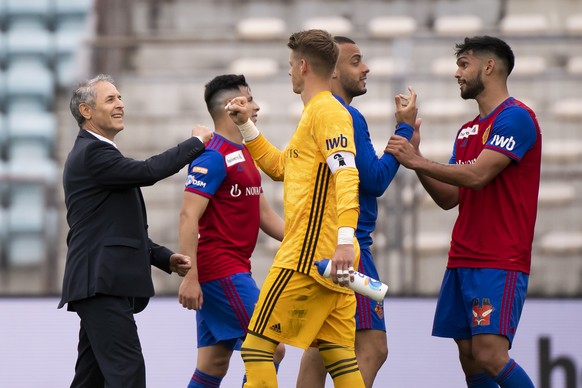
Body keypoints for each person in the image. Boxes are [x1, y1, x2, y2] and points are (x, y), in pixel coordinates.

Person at [385, 36, 541, 387]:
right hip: (462, 257)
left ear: (489, 66)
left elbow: (478, 175)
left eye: (464, 64)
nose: (457, 73)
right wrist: (417, 159)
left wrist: (417, 160)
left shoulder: (516, 118)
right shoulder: (468, 130)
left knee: (490, 353)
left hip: (498, 257)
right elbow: (450, 197)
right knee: (470, 358)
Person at [226, 29, 366, 387]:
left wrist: (346, 240)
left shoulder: (327, 113)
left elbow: (347, 174)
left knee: (256, 349)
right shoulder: (315, 115)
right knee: (340, 357)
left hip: (308, 258)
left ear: (303, 66)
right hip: (333, 260)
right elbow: (280, 168)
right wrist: (246, 125)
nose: (289, 71)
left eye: (290, 64)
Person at [59, 73, 213, 388]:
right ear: (87, 112)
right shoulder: (93, 152)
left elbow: (113, 227)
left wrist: (164, 258)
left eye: (120, 97)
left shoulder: (95, 152)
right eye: (111, 99)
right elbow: (149, 171)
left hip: (97, 282)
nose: (121, 105)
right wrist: (196, 143)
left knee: (90, 379)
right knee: (127, 375)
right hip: (100, 283)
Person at [296, 36, 413, 388]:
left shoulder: (315, 113)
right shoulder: (345, 115)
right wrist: (404, 136)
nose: (366, 68)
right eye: (356, 61)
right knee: (373, 347)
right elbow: (373, 181)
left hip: (322, 245)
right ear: (332, 70)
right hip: (349, 247)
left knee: (322, 345)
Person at [177, 74, 285, 387]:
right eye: (249, 99)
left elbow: (265, 214)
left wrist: (308, 240)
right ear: (231, 106)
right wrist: (190, 276)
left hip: (232, 269)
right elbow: (188, 215)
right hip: (220, 271)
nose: (257, 106)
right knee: (271, 346)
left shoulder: (247, 152)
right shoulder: (212, 157)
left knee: (213, 364)